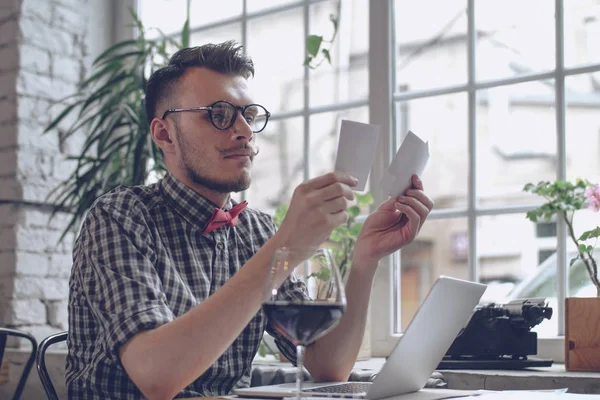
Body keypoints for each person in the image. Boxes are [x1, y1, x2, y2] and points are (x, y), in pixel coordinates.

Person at [65, 40, 434, 400]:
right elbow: (157, 378)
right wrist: (285, 242)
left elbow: (328, 366)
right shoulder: (119, 217)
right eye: (219, 115)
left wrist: (365, 257)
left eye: (249, 115)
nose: (243, 131)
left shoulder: (256, 231)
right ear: (164, 135)